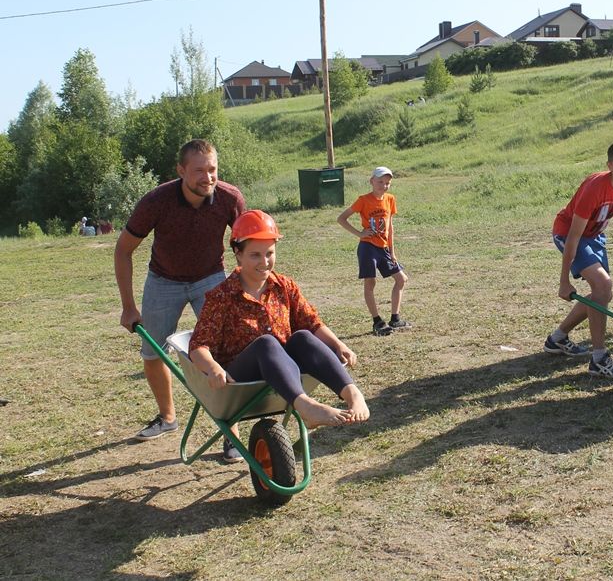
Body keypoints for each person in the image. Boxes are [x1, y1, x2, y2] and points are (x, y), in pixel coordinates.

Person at [114, 139, 246, 455]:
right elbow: (123, 249)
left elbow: (247, 243)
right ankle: (167, 416)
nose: (208, 177)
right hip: (164, 281)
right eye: (199, 170)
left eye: (212, 169)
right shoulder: (157, 201)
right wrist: (129, 307)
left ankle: (232, 431)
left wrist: (244, 289)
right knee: (153, 352)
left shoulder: (230, 198)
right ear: (181, 170)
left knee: (225, 350)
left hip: (210, 278)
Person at [189, 210, 369, 431]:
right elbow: (198, 346)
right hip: (240, 381)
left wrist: (338, 344)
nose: (264, 262)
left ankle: (352, 393)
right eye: (255, 255)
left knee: (302, 336)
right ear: (238, 254)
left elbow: (311, 322)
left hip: (283, 372)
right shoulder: (221, 296)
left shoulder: (284, 286)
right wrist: (213, 368)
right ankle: (306, 407)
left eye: (270, 253)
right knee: (266, 343)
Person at [546, 140, 613, 380]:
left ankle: (557, 338)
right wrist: (563, 282)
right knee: (602, 286)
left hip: (595, 236)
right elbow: (573, 235)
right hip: (569, 232)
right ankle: (599, 358)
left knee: (603, 294)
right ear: (609, 166)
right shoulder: (595, 188)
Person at [337, 166, 410, 336]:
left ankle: (395, 318)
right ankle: (377, 321)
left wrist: (392, 251)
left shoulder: (390, 199)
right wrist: (359, 233)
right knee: (370, 283)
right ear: (372, 181)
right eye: (380, 182)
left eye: (387, 183)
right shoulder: (363, 200)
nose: (383, 185)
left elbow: (390, 227)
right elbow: (341, 218)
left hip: (383, 247)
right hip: (368, 248)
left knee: (401, 279)